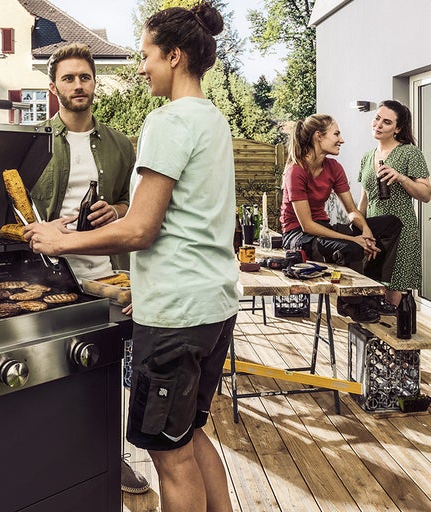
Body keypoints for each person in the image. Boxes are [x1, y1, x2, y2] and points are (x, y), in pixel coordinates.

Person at [25, 4, 239, 510]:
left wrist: (59, 241)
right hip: (215, 305)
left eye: (146, 56)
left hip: (175, 317)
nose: (141, 67)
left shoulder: (165, 121)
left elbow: (141, 228)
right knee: (187, 434)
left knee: (168, 455)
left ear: (174, 56)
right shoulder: (213, 119)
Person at [30, 42, 148, 494]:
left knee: (109, 373)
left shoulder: (121, 144)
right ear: (53, 87)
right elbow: (14, 213)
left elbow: (136, 206)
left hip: (109, 277)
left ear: (95, 83)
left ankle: (108, 459)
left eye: (85, 77)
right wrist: (40, 230)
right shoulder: (34, 144)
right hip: (49, 278)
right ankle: (56, 461)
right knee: (52, 374)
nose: (78, 85)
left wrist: (116, 211)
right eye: (69, 78)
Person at [279, 114, 401, 323]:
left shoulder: (334, 168)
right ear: (319, 136)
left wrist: (366, 232)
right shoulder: (296, 170)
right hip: (298, 236)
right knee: (351, 247)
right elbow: (307, 225)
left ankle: (371, 292)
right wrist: (353, 239)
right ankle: (350, 305)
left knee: (391, 224)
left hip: (323, 229)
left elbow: (352, 209)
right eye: (336, 134)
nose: (341, 139)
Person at [357, 100, 431, 308]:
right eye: (377, 118)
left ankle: (394, 335)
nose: (378, 125)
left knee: (393, 288)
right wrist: (359, 231)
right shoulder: (367, 157)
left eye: (386, 122)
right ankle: (372, 337)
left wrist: (401, 178)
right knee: (369, 284)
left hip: (401, 231)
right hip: (372, 231)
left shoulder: (409, 153)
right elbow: (364, 200)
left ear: (397, 129)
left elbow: (426, 194)